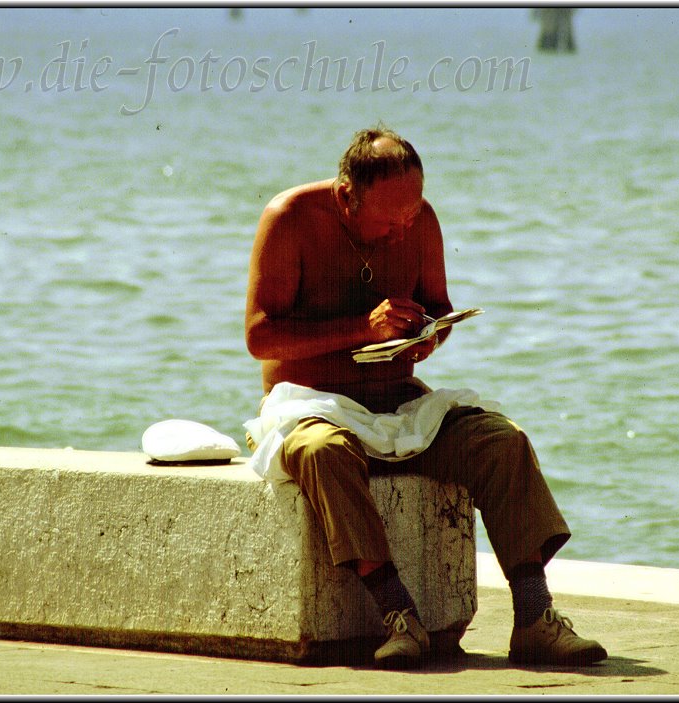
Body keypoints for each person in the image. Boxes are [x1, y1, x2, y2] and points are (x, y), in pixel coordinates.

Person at [244, 126, 606, 669]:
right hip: (311, 402)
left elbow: (437, 305)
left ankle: (535, 616)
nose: (401, 230)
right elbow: (260, 337)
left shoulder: (420, 221)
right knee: (322, 453)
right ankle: (398, 617)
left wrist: (430, 333)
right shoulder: (291, 218)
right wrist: (361, 330)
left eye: (411, 215)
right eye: (389, 219)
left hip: (397, 396)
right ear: (347, 196)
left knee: (501, 442)